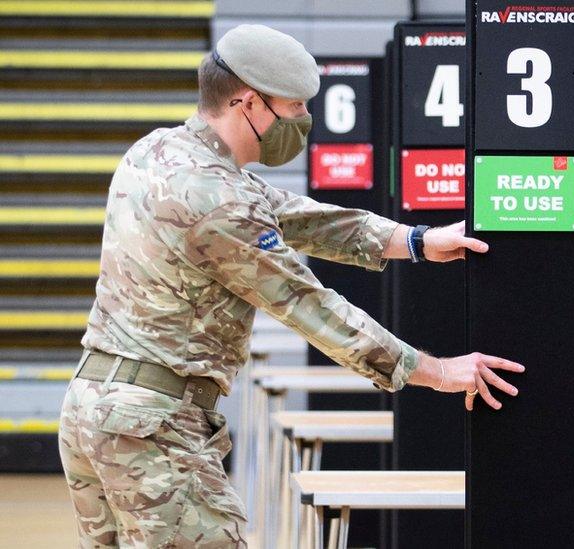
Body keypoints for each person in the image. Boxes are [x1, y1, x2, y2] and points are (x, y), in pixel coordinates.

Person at [56, 24, 523, 547]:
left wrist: (415, 240)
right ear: (248, 103)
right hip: (153, 430)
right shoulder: (221, 204)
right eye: (295, 107)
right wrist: (437, 372)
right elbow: (311, 307)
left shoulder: (158, 153)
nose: (304, 120)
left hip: (93, 412)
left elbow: (294, 216)